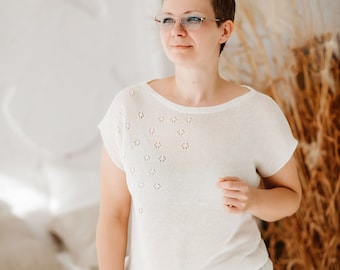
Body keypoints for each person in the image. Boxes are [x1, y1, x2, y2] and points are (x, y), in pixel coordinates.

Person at [96, 0, 302, 269]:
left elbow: (291, 197)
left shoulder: (257, 111)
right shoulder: (129, 107)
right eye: (168, 19)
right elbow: (113, 214)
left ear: (224, 31)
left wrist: (254, 199)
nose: (177, 30)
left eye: (192, 19)